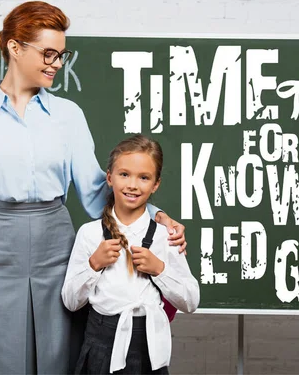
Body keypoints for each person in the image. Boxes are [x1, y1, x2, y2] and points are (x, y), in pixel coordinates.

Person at [0, 1, 186, 374]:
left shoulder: (68, 115)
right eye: (49, 53)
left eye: (61, 54)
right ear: (15, 48)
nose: (58, 63)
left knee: (59, 358)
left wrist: (157, 218)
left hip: (57, 251)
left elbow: (95, 192)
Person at [62, 134, 200, 374]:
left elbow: (191, 301)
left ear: (155, 184)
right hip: (100, 343)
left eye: (144, 177)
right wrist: (93, 265)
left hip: (148, 345)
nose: (133, 185)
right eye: (124, 174)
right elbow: (71, 301)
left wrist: (160, 270)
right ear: (109, 178)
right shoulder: (89, 234)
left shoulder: (165, 236)